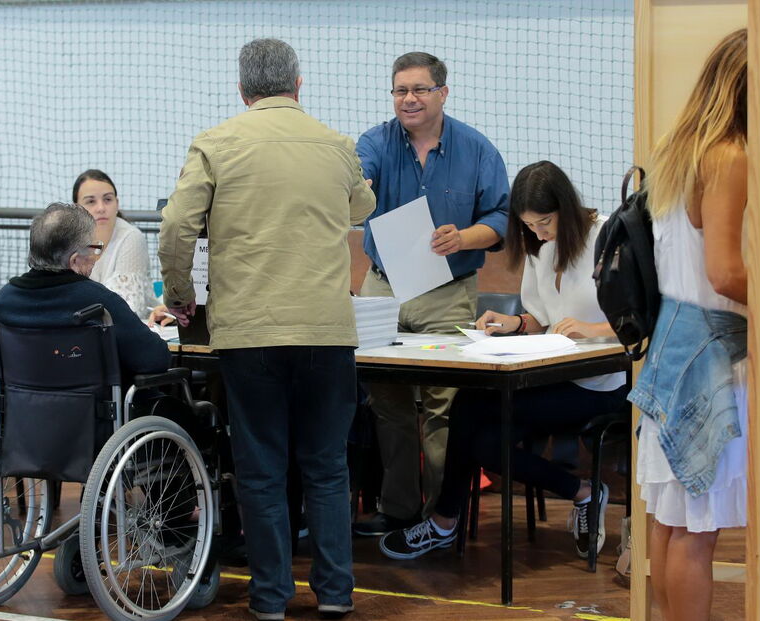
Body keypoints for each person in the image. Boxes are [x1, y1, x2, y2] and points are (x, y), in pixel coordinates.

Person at [158, 38, 375, 621]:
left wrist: (181, 296)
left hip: (249, 333)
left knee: (260, 470)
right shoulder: (337, 145)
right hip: (327, 334)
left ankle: (271, 599)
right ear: (298, 86)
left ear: (242, 91)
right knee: (328, 468)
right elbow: (362, 208)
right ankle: (335, 595)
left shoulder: (214, 144)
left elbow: (177, 226)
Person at [378, 161, 627, 561]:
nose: (539, 233)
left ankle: (444, 522)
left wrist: (592, 329)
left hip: (602, 385)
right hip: (551, 376)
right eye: (529, 226)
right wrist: (513, 322)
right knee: (475, 420)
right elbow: (543, 319)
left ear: (566, 207)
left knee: (478, 428)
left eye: (545, 222)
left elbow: (641, 322)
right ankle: (581, 493)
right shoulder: (540, 248)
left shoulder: (607, 238)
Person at [353, 52, 510, 536]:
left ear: (443, 92)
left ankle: (444, 518)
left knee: (444, 405)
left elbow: (500, 219)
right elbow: (356, 186)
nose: (409, 99)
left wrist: (464, 238)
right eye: (400, 90)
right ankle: (399, 510)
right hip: (384, 288)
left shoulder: (478, 150)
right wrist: (357, 186)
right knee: (388, 402)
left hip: (448, 292)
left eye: (420, 89)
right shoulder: (374, 142)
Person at [629, 29, 748, 621]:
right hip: (709, 354)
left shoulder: (678, 149)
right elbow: (726, 274)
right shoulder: (729, 155)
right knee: (696, 531)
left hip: (673, 346)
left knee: (669, 522)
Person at [0, 201, 170, 384]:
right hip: (95, 414)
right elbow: (155, 358)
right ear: (75, 260)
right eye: (95, 249)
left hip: (22, 413)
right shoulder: (99, 304)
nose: (96, 258)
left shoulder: (6, 298)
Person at [72, 169, 171, 324]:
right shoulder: (69, 241)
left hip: (130, 332)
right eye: (91, 201)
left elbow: (126, 309)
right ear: (76, 208)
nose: (101, 208)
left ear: (117, 203)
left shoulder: (131, 238)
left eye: (108, 199)